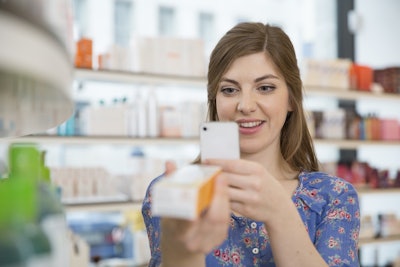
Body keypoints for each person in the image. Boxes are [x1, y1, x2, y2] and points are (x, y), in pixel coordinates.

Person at [142, 22, 360, 267]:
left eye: (265, 88)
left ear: (291, 98)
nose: (245, 105)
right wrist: (183, 252)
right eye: (229, 89)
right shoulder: (173, 191)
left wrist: (279, 212)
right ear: (214, 100)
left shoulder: (333, 197)